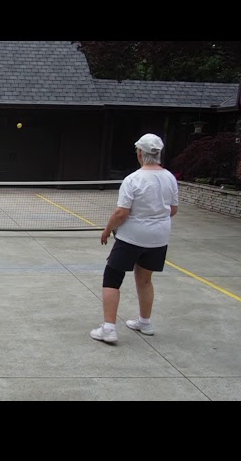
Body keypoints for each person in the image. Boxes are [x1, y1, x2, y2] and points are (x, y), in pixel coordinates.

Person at [91, 133, 178, 343]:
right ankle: (145, 322)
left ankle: (109, 329)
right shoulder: (170, 178)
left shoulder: (133, 179)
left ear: (140, 153)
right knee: (145, 279)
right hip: (159, 238)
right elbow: (173, 210)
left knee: (112, 278)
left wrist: (106, 230)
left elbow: (122, 212)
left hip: (131, 237)